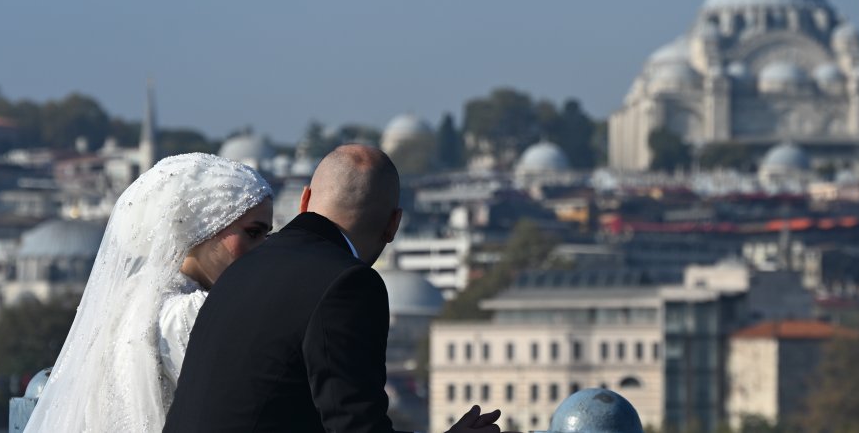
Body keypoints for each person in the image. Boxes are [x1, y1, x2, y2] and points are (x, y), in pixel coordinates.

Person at [166, 144, 504, 433]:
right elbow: (354, 424)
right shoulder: (348, 284)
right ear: (393, 224)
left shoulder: (242, 268)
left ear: (305, 199)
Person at [25, 153, 274, 433]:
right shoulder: (191, 311)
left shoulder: (129, 296)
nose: (264, 248)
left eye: (267, 235)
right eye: (253, 233)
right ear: (204, 228)